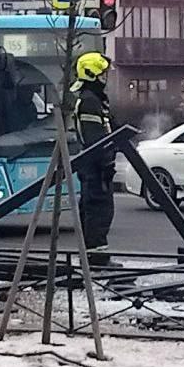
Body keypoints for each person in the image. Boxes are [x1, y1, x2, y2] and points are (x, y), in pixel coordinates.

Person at [71, 52, 119, 268]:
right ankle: (97, 260)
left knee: (99, 210)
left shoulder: (94, 100)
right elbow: (95, 139)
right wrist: (105, 164)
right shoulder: (90, 102)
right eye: (102, 74)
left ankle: (95, 258)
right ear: (92, 75)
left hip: (96, 168)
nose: (105, 78)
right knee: (98, 211)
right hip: (95, 169)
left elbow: (108, 129)